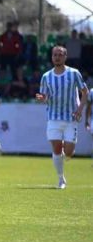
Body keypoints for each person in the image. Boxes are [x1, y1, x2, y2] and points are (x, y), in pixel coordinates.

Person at [35, 46, 88, 189]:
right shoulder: (46, 76)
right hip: (53, 117)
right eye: (54, 55)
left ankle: (67, 152)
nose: (57, 57)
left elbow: (85, 92)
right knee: (57, 149)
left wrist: (80, 109)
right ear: (52, 57)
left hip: (71, 118)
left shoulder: (74, 73)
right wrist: (42, 98)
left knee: (69, 153)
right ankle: (61, 179)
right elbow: (45, 96)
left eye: (60, 55)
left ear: (65, 57)